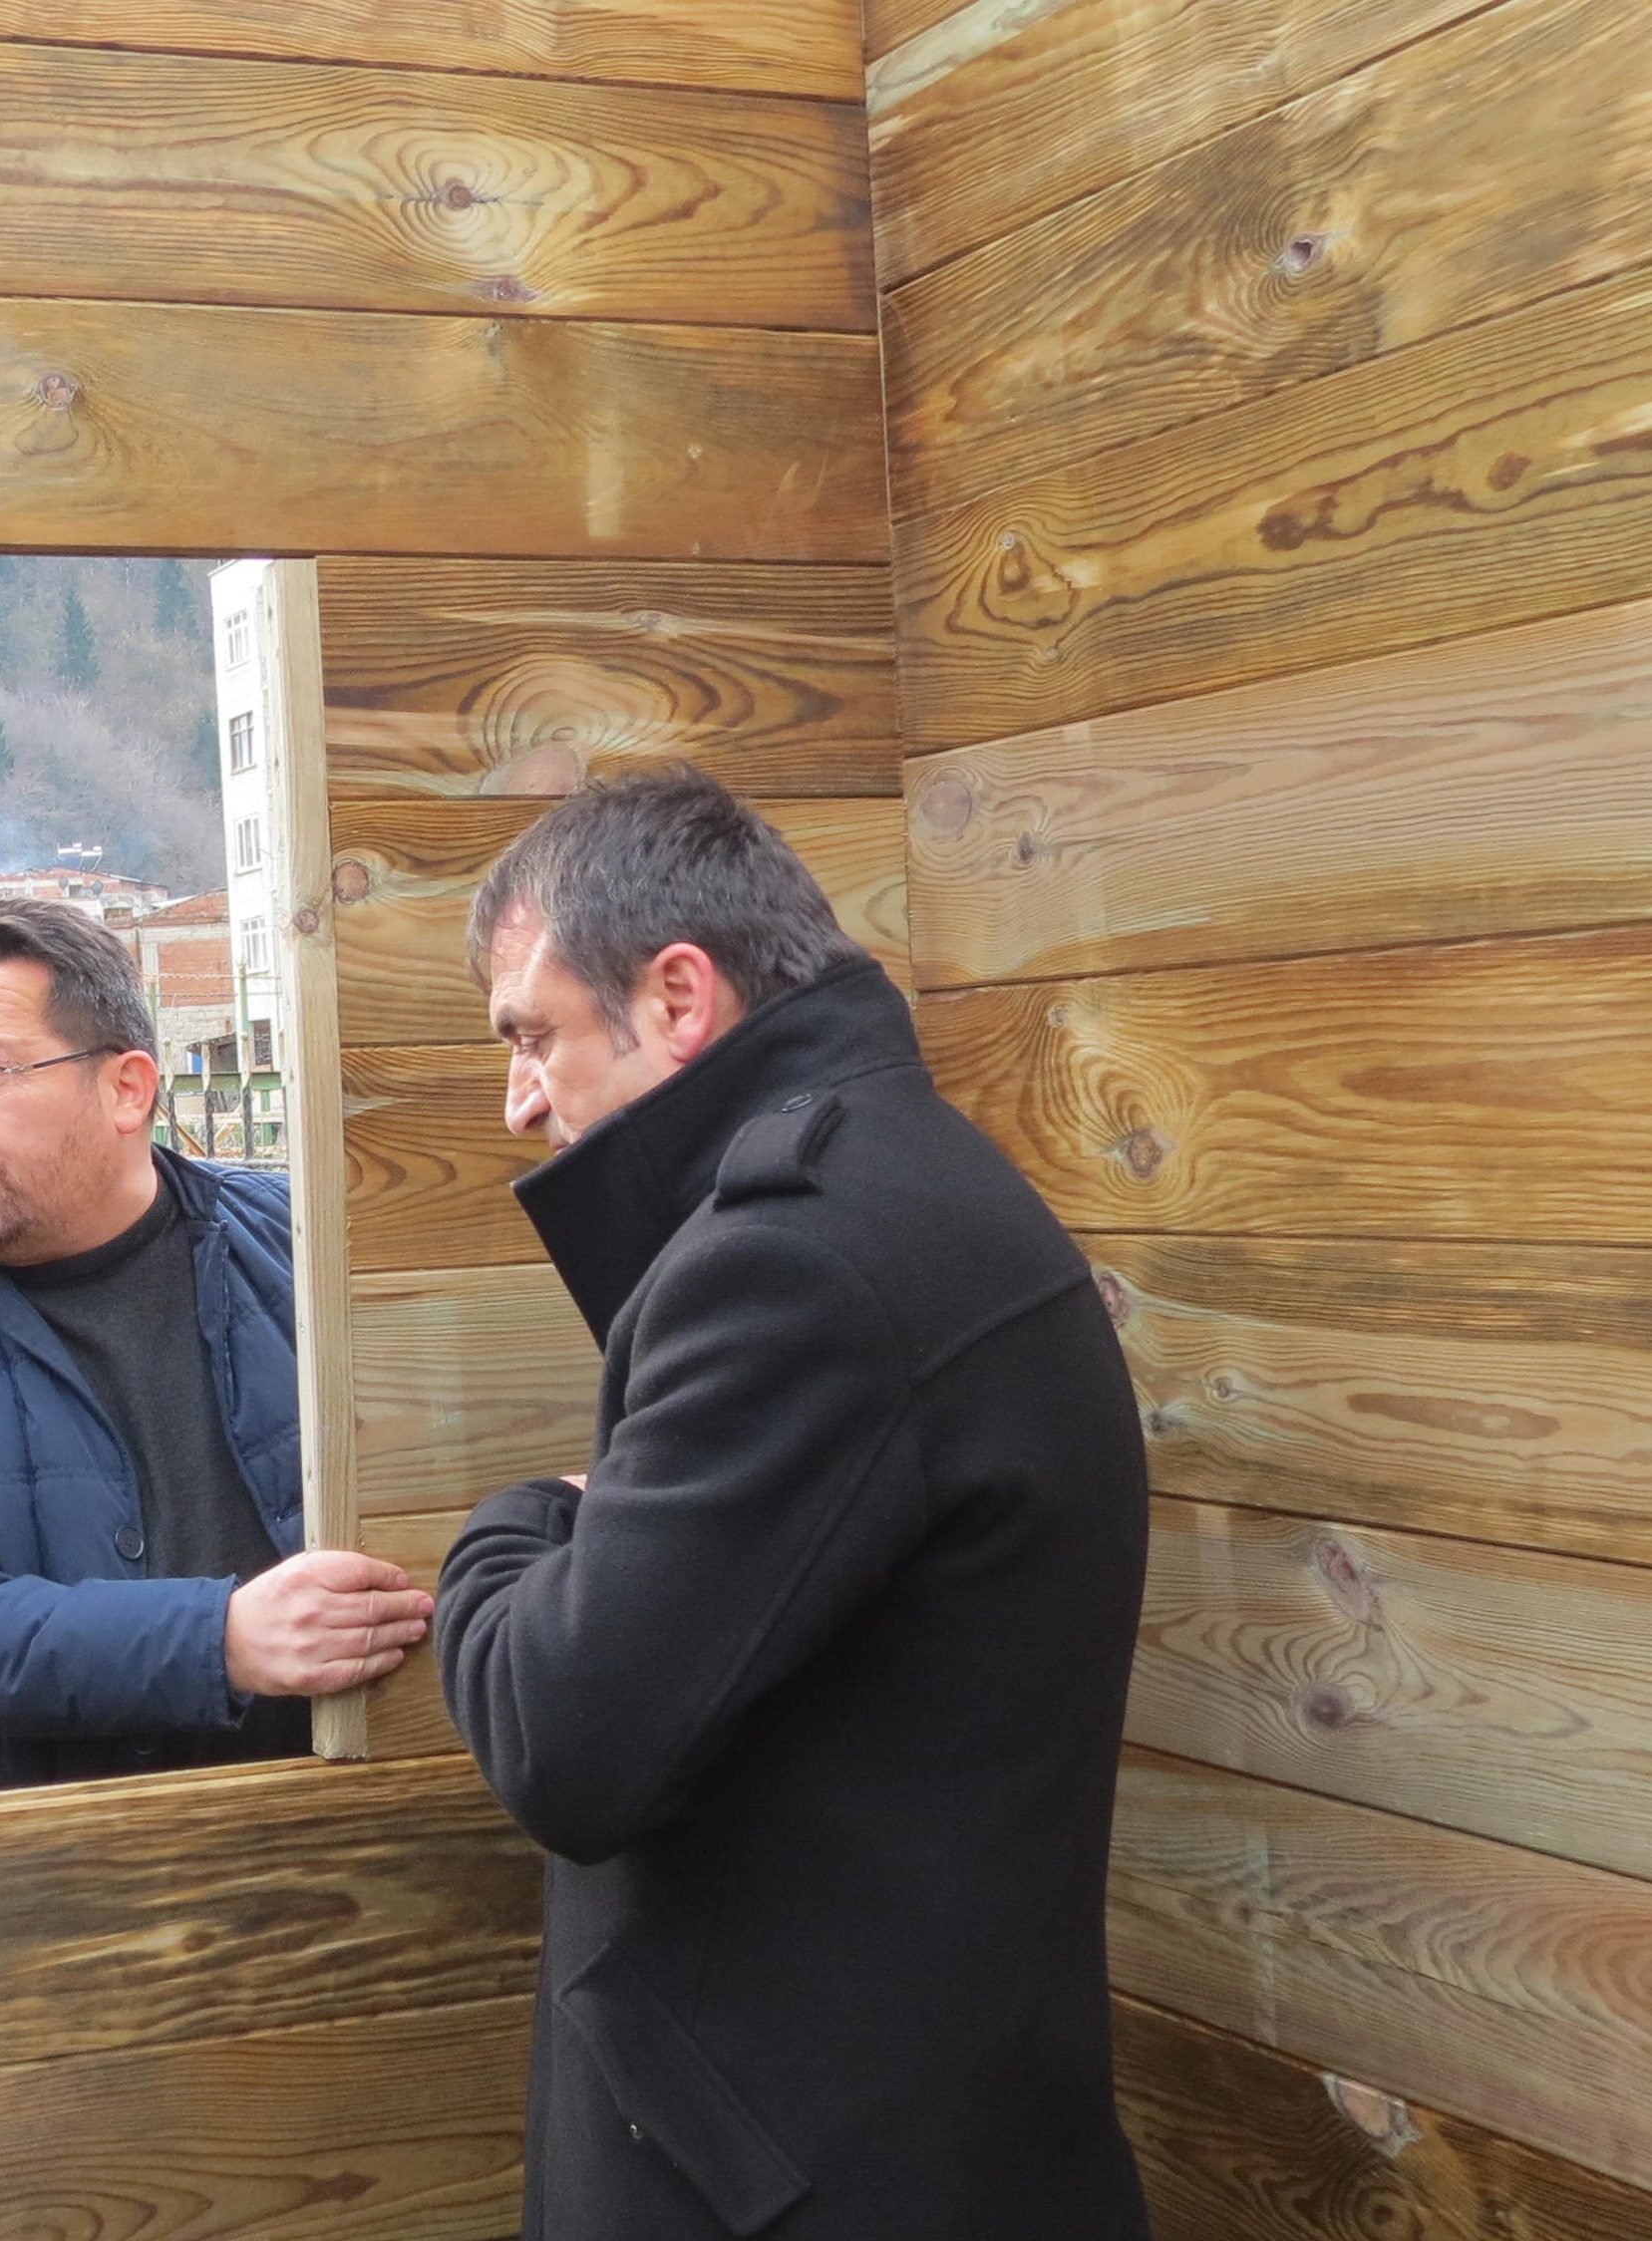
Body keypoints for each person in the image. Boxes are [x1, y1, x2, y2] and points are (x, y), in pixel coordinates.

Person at [436, 769, 1153, 2240]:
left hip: (804, 2176)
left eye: (531, 1035)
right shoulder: (890, 1182)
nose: (517, 1101)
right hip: (884, 2140)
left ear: (677, 997)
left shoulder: (789, 1269)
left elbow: (562, 1740)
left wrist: (515, 1528)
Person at [0, 897, 431, 1798]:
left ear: (127, 1089)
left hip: (366, 1821)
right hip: (61, 1865)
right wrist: (219, 1639)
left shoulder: (308, 1243)